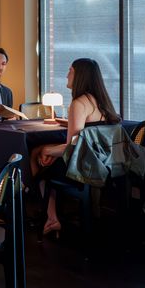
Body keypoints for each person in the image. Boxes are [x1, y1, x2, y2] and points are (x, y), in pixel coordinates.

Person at [30, 58, 120, 236]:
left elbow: (73, 147)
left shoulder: (79, 103)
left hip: (83, 169)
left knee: (37, 156)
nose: (66, 75)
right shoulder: (103, 101)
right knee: (47, 153)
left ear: (80, 75)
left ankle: (51, 217)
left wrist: (47, 151)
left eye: (70, 71)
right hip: (103, 165)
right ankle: (54, 215)